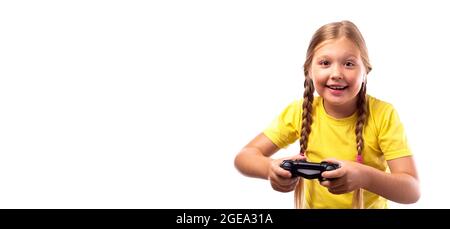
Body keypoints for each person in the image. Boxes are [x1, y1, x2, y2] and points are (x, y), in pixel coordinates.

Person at [234, 20, 420, 208]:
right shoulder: (298, 112)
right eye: (325, 63)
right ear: (309, 70)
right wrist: (270, 169)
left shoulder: (383, 114)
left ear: (365, 71)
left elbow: (411, 190)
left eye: (348, 64)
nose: (336, 73)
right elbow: (244, 157)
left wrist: (364, 177)